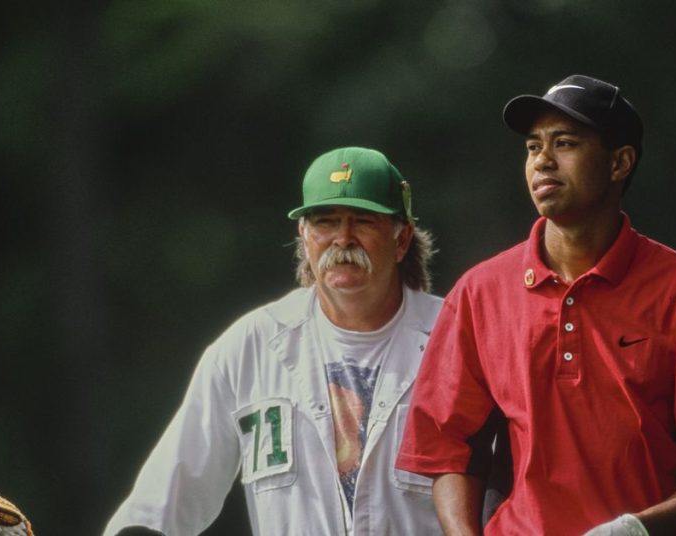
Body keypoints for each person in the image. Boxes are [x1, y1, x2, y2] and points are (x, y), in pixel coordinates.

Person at [396, 74, 676, 536]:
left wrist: (637, 529)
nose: (543, 160)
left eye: (565, 143)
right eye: (533, 147)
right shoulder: (479, 293)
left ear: (619, 162)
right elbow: (447, 448)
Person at [104, 147, 444, 535]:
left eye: (363, 221)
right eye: (325, 222)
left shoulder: (455, 336)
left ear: (402, 239)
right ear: (304, 236)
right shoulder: (251, 346)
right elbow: (164, 503)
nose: (342, 239)